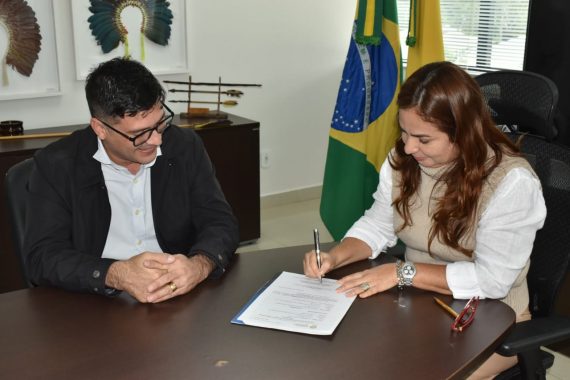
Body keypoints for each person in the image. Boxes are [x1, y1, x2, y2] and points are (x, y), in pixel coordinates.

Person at [304, 61, 546, 379]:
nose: (408, 146)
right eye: (404, 131)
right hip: (418, 306)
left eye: (423, 139)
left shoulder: (511, 182)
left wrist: (403, 272)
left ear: (463, 133)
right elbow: (378, 225)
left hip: (493, 322)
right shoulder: (403, 161)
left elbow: (492, 280)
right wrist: (336, 255)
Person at [24, 58, 239, 303]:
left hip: (176, 294)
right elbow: (42, 257)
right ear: (100, 128)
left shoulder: (184, 146)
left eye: (160, 124)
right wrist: (117, 274)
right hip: (97, 300)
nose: (156, 140)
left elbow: (220, 221)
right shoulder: (57, 165)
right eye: (139, 134)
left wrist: (198, 265)